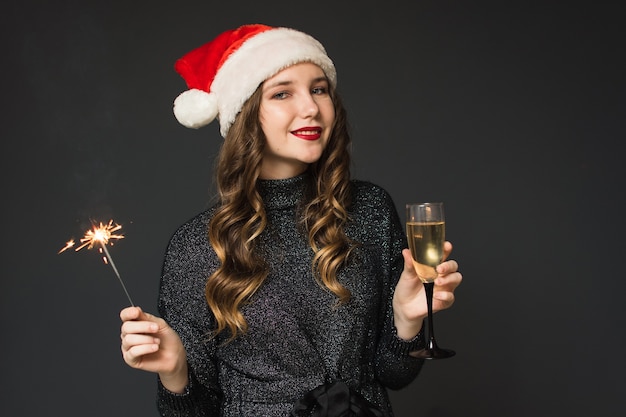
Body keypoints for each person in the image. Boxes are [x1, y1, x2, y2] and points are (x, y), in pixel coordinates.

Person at [120, 24, 462, 417]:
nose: (311, 107)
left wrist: (406, 320)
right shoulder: (196, 245)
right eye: (283, 93)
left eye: (319, 89)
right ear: (245, 112)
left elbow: (392, 374)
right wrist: (176, 373)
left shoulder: (369, 209)